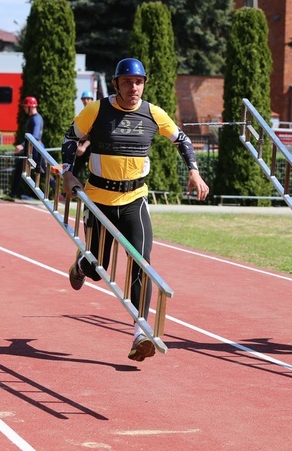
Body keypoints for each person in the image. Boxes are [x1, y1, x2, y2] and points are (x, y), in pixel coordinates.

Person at [60, 58, 210, 362]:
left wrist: (194, 171)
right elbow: (69, 138)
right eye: (127, 82)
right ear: (116, 84)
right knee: (97, 268)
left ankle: (141, 331)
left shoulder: (153, 113)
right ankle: (81, 266)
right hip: (98, 199)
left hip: (135, 200)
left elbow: (182, 140)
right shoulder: (97, 110)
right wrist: (67, 172)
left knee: (142, 262)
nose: (134, 88)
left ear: (145, 84)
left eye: (139, 82)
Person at [8, 96, 45, 199]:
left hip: (36, 151)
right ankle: (12, 194)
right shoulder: (32, 118)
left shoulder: (36, 119)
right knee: (19, 168)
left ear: (30, 107)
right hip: (30, 151)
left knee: (43, 172)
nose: (24, 109)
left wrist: (22, 145)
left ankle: (57, 194)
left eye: (26, 107)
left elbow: (35, 136)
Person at [71, 91, 94, 181]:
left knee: (94, 172)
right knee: (75, 170)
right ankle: (71, 192)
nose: (85, 101)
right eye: (84, 99)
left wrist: (84, 146)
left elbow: (95, 134)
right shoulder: (84, 113)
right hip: (82, 146)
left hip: (92, 147)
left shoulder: (95, 113)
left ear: (92, 100)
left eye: (88, 99)